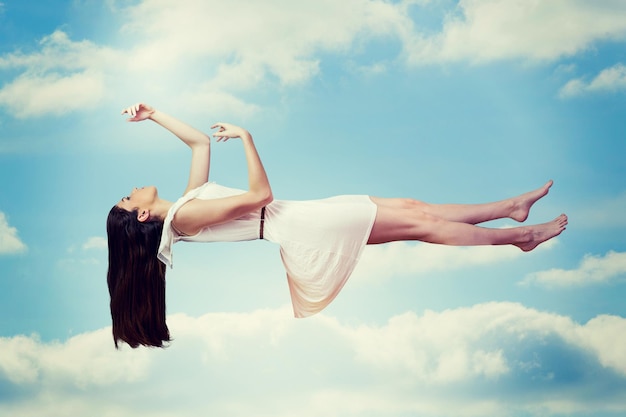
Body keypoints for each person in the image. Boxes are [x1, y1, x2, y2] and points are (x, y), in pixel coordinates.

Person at [107, 103, 568, 349]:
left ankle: (511, 208)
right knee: (421, 224)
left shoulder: (186, 203)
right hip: (301, 223)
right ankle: (521, 237)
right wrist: (248, 137)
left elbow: (198, 143)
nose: (131, 190)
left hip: (302, 216)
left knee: (414, 210)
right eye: (127, 200)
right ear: (142, 215)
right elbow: (260, 197)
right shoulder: (185, 218)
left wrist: (153, 115)